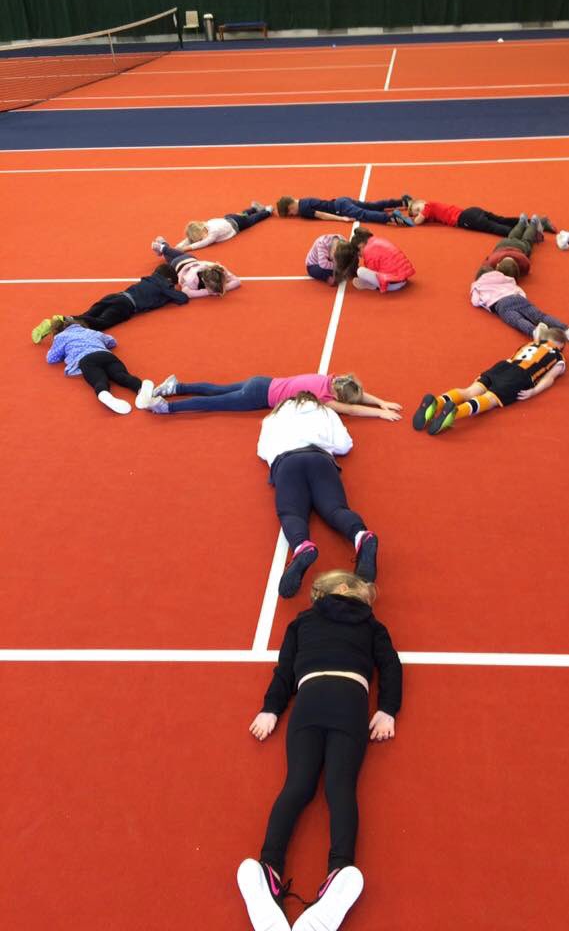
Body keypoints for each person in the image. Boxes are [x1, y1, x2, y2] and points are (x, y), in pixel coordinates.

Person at [237, 568, 402, 931]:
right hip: (350, 700)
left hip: (309, 699)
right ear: (343, 588)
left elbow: (284, 671)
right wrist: (387, 709)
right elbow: (390, 665)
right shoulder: (371, 625)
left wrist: (271, 709)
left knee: (297, 786)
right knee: (339, 788)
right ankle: (339, 870)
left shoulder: (301, 622)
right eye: (363, 594)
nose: (367, 602)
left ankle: (268, 869)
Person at [256, 392, 379, 597]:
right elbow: (345, 445)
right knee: (336, 510)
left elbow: (262, 450)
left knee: (291, 514)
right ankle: (361, 535)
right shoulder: (327, 412)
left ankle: (302, 546)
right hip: (320, 460)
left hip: (287, 462)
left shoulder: (272, 418)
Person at [413, 327, 567, 435]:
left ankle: (437, 402)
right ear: (560, 346)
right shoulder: (557, 356)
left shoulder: (530, 344)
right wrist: (533, 391)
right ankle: (454, 413)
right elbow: (549, 378)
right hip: (520, 375)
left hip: (502, 366)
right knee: (491, 399)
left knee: (469, 391)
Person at [471, 220, 569, 341]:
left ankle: (534, 331)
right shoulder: (507, 279)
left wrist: (484, 304)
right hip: (516, 297)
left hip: (502, 305)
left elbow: (475, 301)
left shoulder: (478, 285)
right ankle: (567, 330)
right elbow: (518, 289)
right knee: (541, 316)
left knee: (518, 321)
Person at [30, 264, 197, 342]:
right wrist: (175, 289)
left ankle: (56, 323)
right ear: (168, 280)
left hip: (114, 297)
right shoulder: (163, 285)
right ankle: (63, 319)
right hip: (125, 306)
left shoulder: (149, 279)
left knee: (86, 316)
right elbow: (183, 299)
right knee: (101, 323)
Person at [146, 370, 401, 420]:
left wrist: (381, 402)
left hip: (261, 381)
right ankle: (167, 408)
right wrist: (380, 413)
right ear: (338, 397)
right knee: (214, 403)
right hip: (257, 398)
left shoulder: (331, 379)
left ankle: (176, 387)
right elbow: (353, 408)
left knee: (217, 388)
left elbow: (355, 394)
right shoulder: (326, 398)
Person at [44, 318, 158, 414]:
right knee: (121, 375)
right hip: (106, 355)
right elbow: (112, 341)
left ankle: (104, 394)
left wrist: (63, 350)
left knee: (99, 380)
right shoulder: (90, 332)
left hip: (86, 359)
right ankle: (140, 386)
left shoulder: (61, 337)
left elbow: (51, 358)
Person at [405, 194, 556, 238]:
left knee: (493, 228)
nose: (419, 212)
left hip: (465, 218)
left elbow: (418, 221)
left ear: (422, 202)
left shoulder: (428, 205)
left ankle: (528, 233)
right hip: (472, 211)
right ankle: (539, 222)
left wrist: (407, 219)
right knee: (501, 219)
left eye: (417, 209)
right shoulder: (431, 211)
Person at [333, 228, 415, 293]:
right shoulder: (377, 240)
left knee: (360, 271)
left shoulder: (368, 251)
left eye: (359, 254)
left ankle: (375, 287)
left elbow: (373, 271)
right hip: (403, 278)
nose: (361, 256)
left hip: (394, 285)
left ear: (361, 246)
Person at [151, 237, 242, 295]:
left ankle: (164, 246)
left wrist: (221, 288)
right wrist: (209, 292)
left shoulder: (219, 270)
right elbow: (187, 293)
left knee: (178, 255)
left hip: (191, 259)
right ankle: (163, 247)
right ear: (204, 281)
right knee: (170, 260)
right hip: (177, 265)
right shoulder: (191, 281)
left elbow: (237, 281)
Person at [173, 201, 274, 251]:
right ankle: (253, 208)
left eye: (200, 238)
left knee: (252, 220)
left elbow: (202, 244)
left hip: (237, 225)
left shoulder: (213, 233)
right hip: (229, 217)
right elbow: (190, 238)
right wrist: (178, 246)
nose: (200, 240)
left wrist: (185, 248)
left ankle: (267, 211)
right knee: (242, 214)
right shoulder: (204, 224)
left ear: (202, 231)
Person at [276, 195, 414, 227]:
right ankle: (402, 202)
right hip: (341, 200)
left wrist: (342, 218)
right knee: (371, 205)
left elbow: (322, 215)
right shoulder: (302, 200)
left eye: (290, 213)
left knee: (364, 214)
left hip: (340, 209)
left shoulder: (303, 209)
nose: (293, 215)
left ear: (291, 207)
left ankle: (391, 217)